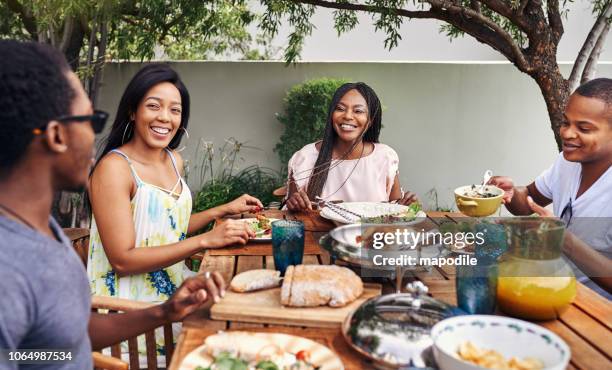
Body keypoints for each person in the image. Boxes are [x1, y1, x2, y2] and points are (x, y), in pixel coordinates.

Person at [0, 40, 225, 369]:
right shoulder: (9, 268)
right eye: (91, 121)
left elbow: (63, 338)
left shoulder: (43, 232)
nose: (97, 138)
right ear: (58, 136)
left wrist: (164, 311)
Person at [87, 64, 261, 304]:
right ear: (132, 111)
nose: (165, 117)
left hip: (174, 294)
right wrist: (205, 240)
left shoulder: (173, 160)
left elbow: (167, 229)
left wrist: (222, 210)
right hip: (128, 309)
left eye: (175, 110)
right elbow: (122, 261)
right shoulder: (115, 168)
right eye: (153, 106)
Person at [489, 78, 612, 298]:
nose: (567, 134)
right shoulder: (566, 163)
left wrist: (562, 238)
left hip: (595, 314)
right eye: (566, 123)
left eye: (583, 128)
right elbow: (527, 201)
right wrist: (512, 193)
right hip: (546, 290)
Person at [284, 82, 417, 211]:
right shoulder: (305, 157)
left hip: (371, 233)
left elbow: (396, 209)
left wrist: (405, 205)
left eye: (358, 111)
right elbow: (289, 212)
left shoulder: (385, 157)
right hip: (320, 233)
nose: (347, 116)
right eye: (340, 109)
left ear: (370, 120)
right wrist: (294, 204)